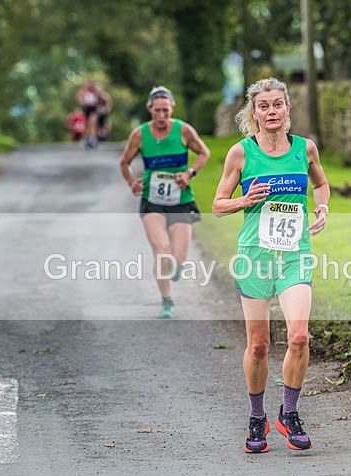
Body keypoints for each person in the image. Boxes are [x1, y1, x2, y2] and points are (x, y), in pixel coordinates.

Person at [212, 78, 330, 453]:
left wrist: (323, 207)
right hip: (256, 255)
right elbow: (218, 204)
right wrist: (244, 200)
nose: (272, 112)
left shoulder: (304, 148)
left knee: (299, 336)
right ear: (254, 112)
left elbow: (321, 184)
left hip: (295, 253)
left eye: (278, 104)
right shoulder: (241, 154)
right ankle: (256, 417)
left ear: (287, 108)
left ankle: (289, 414)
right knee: (259, 345)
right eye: (263, 106)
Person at [119, 86, 210, 319]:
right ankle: (166, 301)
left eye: (165, 111)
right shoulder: (139, 135)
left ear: (172, 108)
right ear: (149, 109)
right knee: (161, 250)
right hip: (152, 199)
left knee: (178, 256)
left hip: (181, 199)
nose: (161, 116)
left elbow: (204, 153)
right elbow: (124, 163)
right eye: (157, 111)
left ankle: (176, 267)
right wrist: (132, 182)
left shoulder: (183, 131)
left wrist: (189, 173)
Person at [76, 80, 100, 148]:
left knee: (93, 124)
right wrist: (83, 90)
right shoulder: (84, 91)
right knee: (87, 125)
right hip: (87, 108)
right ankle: (88, 139)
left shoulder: (95, 91)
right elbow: (78, 98)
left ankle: (93, 140)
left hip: (93, 108)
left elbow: (101, 96)